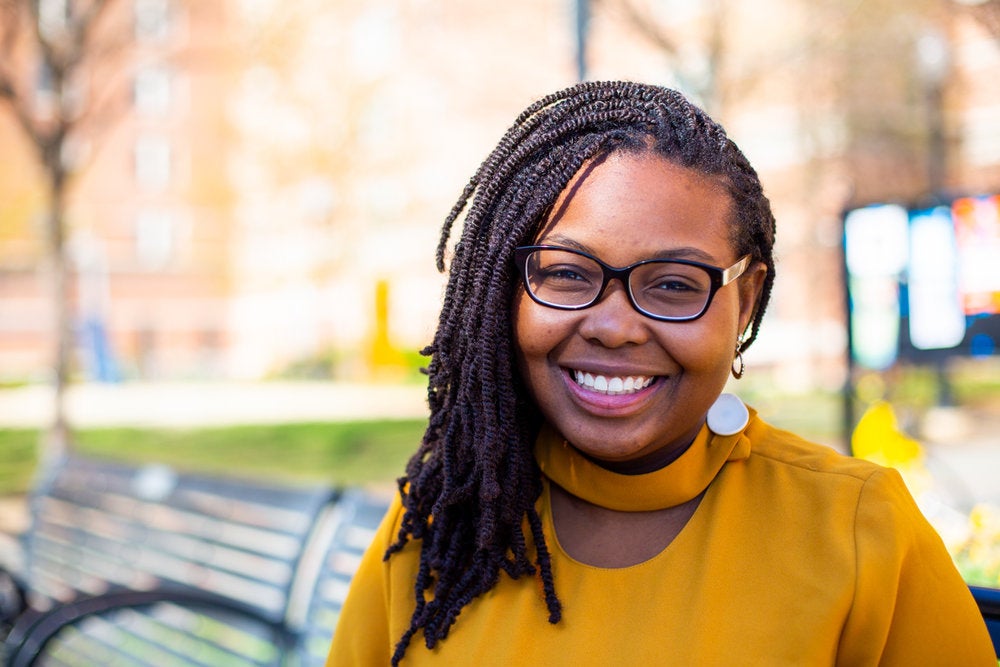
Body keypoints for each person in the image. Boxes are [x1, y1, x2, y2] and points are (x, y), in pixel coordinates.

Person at [326, 81, 995, 665]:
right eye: (566, 273)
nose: (613, 325)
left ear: (746, 300)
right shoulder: (443, 526)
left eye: (674, 284)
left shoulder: (857, 531)